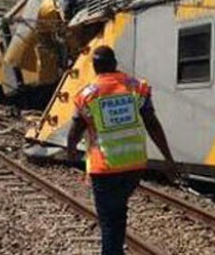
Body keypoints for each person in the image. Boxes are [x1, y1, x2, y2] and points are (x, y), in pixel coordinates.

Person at [66, 46, 180, 255]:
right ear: (115, 64)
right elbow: (152, 124)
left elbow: (75, 130)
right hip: (134, 167)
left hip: (105, 168)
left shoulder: (88, 95)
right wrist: (168, 160)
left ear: (94, 67)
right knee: (118, 215)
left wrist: (71, 149)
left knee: (109, 222)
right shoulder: (136, 87)